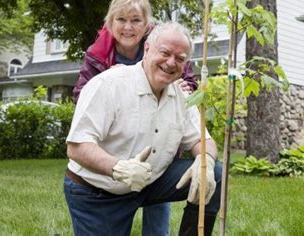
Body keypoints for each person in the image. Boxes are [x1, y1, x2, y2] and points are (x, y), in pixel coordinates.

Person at [64, 22, 221, 235]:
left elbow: (202, 140)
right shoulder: (108, 85)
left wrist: (206, 161)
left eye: (180, 58)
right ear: (147, 49)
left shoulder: (181, 96)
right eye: (164, 52)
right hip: (97, 191)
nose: (171, 62)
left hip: (149, 182)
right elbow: (77, 147)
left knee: (214, 173)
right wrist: (118, 168)